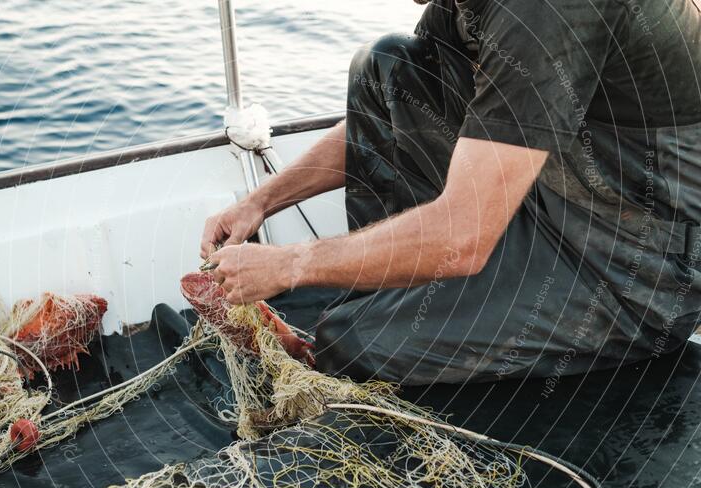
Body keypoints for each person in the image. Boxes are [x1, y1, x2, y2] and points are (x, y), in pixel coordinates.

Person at [200, 0, 701, 386]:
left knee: (353, 344)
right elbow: (383, 113)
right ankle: (386, 300)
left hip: (632, 271)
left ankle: (370, 328)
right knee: (389, 65)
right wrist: (261, 201)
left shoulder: (545, 10)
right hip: (547, 196)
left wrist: (291, 264)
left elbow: (463, 233)